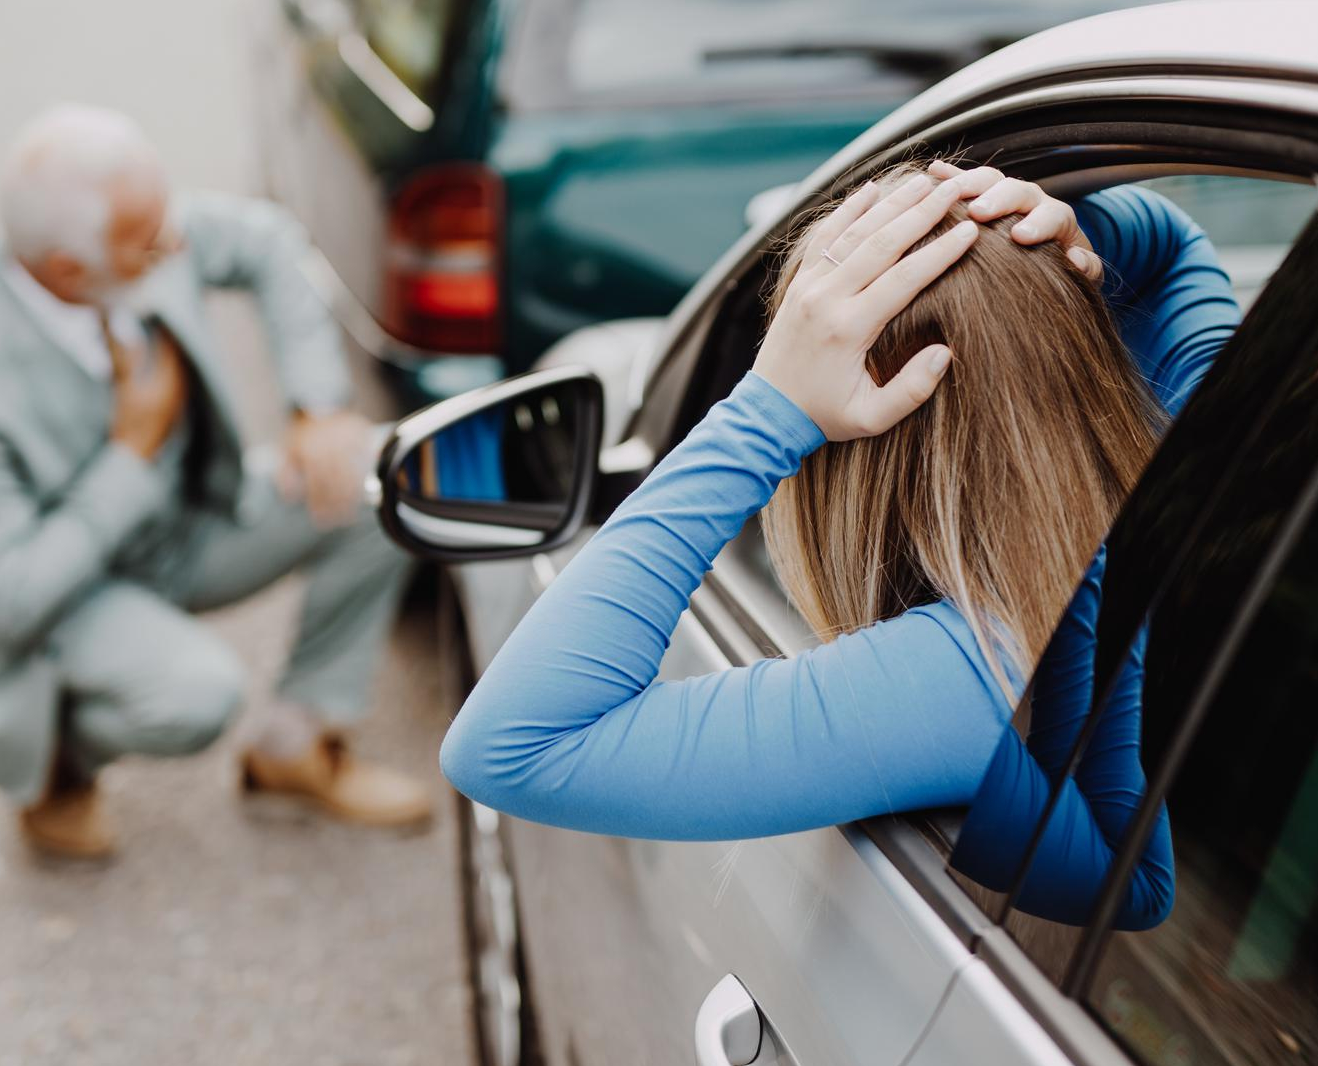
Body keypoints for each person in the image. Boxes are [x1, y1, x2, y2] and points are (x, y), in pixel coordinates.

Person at [439, 160, 1239, 922]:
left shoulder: (966, 677)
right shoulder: (1217, 470)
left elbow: (513, 746)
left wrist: (768, 411)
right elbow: (1172, 246)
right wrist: (1045, 246)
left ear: (846, 464)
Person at [0, 104, 431, 860]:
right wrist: (132, 449)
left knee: (387, 480)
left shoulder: (137, 226)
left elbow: (267, 241)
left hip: (194, 521)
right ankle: (57, 763)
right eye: (151, 242)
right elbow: (5, 593)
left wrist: (316, 407)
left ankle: (295, 743)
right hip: (73, 594)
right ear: (67, 272)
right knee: (197, 694)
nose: (178, 242)